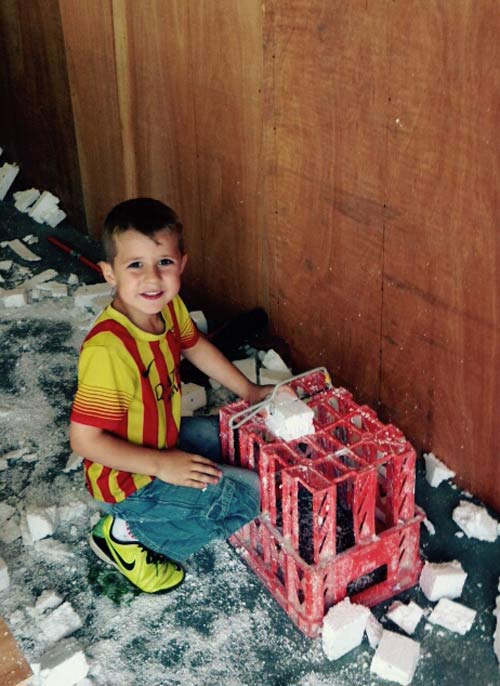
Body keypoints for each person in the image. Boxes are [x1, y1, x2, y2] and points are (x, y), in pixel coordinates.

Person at [69, 198, 273, 594]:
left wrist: (248, 391)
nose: (152, 279)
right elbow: (85, 441)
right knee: (251, 495)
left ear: (181, 263)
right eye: (135, 265)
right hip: (127, 481)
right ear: (109, 273)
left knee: (229, 436)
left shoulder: (168, 307)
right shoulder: (108, 350)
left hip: (160, 439)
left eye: (163, 263)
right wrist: (163, 465)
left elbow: (195, 346)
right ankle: (128, 538)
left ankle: (149, 512)